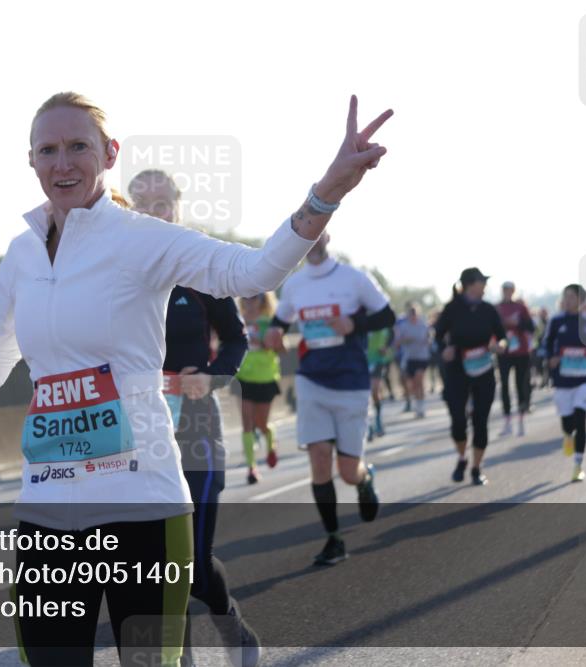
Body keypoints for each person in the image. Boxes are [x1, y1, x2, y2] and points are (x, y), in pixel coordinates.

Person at [0, 92, 392, 665]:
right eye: (48, 149)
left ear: (109, 153)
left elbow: (254, 271)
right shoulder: (21, 256)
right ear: (31, 161)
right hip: (47, 512)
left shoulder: (142, 239)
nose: (63, 162)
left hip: (142, 507)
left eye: (79, 146)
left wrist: (328, 192)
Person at [129, 169, 259, 665]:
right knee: (160, 566)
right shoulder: (119, 274)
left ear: (178, 209)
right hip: (138, 432)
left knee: (192, 567)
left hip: (196, 427)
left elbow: (238, 339)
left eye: (164, 205)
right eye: (144, 205)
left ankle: (233, 627)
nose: (155, 213)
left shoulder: (199, 269)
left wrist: (211, 374)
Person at [265, 233, 395, 566]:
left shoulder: (354, 278)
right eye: (306, 234)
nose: (312, 239)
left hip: (351, 382)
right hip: (312, 381)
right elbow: (280, 320)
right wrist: (274, 332)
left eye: (317, 232)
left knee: (348, 472)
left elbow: (386, 316)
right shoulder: (294, 285)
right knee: (320, 458)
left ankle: (365, 480)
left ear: (326, 236)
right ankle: (333, 539)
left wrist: (354, 322)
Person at [433, 268, 506, 486]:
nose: (485, 286)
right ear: (470, 285)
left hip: (484, 369)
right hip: (457, 369)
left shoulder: (488, 309)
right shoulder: (452, 308)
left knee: (481, 419)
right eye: (482, 282)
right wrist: (443, 349)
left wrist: (499, 346)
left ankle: (476, 467)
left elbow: (502, 338)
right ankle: (462, 458)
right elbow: (437, 336)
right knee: (457, 419)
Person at [545, 284, 586, 482]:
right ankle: (568, 435)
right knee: (568, 424)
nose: (567, 300)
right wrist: (551, 357)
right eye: (565, 296)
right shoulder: (556, 321)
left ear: (580, 300)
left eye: (572, 297)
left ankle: (578, 464)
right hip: (562, 380)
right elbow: (546, 345)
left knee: (580, 418)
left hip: (585, 379)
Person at [236, 292, 283, 484]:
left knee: (260, 423)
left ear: (263, 299)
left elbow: (282, 348)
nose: (249, 301)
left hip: (266, 377)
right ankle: (251, 468)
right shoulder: (237, 319)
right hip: (243, 377)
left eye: (254, 297)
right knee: (247, 423)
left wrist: (265, 343)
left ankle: (270, 440)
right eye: (245, 297)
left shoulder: (270, 321)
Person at [496, 281, 535, 436]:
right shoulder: (496, 308)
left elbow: (531, 327)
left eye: (509, 290)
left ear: (513, 291)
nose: (507, 292)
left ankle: (521, 420)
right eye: (504, 289)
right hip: (504, 352)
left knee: (521, 385)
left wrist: (517, 323)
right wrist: (503, 325)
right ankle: (507, 422)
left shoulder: (521, 307)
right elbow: (492, 328)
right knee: (504, 385)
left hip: (521, 352)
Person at [394, 302, 432, 418]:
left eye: (415, 314)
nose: (413, 316)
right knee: (414, 384)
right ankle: (417, 403)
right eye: (411, 314)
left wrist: (427, 341)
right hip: (409, 357)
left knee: (419, 379)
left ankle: (421, 406)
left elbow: (429, 339)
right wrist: (406, 340)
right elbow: (397, 342)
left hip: (422, 357)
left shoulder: (423, 325)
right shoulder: (403, 326)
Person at [366, 327, 391, 439]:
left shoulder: (378, 320)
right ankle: (368, 425)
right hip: (361, 361)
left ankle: (378, 420)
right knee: (365, 395)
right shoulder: (357, 317)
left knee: (374, 391)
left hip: (377, 360)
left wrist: (386, 347)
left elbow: (392, 332)